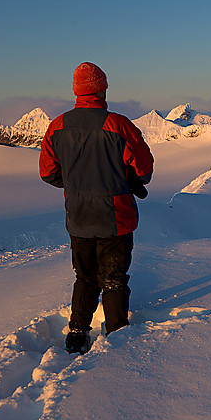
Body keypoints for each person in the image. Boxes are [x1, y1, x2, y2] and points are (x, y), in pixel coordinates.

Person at [39, 62, 154, 354]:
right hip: (114, 217)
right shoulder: (118, 125)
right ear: (102, 89)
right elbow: (143, 170)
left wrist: (76, 186)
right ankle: (116, 336)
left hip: (78, 217)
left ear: (76, 91)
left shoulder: (58, 126)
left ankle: (77, 333)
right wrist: (122, 180)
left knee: (85, 276)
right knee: (113, 278)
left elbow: (48, 172)